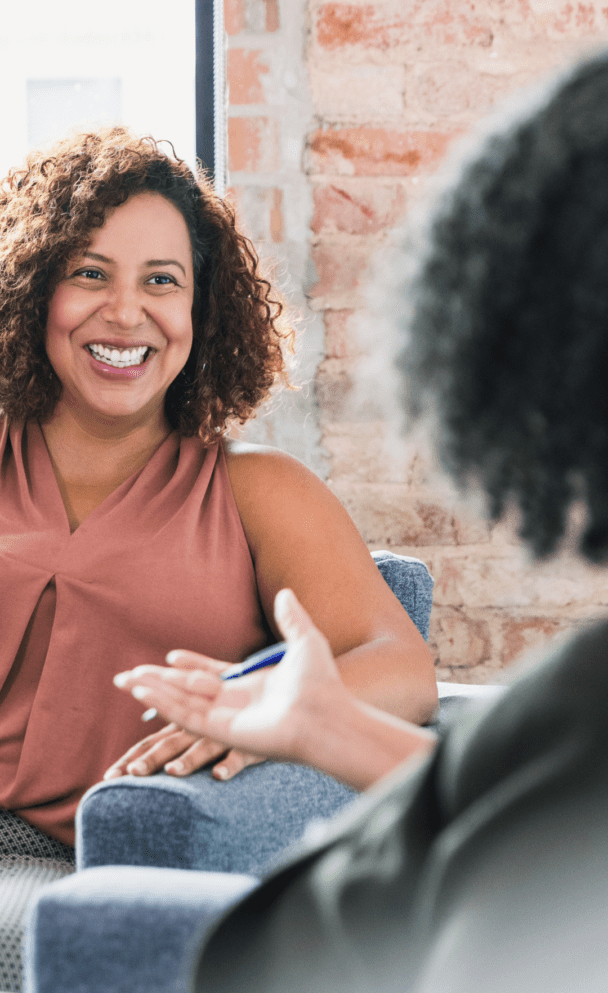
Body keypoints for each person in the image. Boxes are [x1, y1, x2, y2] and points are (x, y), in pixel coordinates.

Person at [108, 49, 608, 993]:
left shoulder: (574, 715)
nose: (128, 309)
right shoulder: (567, 716)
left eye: (163, 280)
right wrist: (325, 727)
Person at [0, 126, 437, 859]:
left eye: (161, 281)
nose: (126, 312)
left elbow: (401, 664)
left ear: (203, 316)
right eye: (91, 274)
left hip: (131, 850)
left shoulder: (261, 491)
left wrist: (267, 706)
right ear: (37, 292)